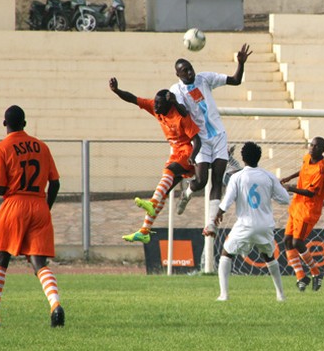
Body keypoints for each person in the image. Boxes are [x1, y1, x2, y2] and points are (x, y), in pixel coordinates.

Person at [0, 105, 64, 327]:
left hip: (14, 205)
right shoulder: (42, 146)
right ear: (25, 123)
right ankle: (55, 305)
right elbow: (55, 183)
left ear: (5, 124)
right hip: (39, 204)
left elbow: (0, 188)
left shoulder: (1, 148)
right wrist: (45, 207)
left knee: (1, 260)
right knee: (39, 262)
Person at [170, 44, 253, 237]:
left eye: (190, 68)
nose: (190, 73)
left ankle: (210, 224)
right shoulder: (177, 90)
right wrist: (174, 102)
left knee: (218, 179)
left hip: (219, 136)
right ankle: (188, 193)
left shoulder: (204, 78)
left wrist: (240, 64)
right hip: (199, 140)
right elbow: (183, 113)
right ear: (178, 74)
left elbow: (235, 80)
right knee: (200, 181)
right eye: (185, 71)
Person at [109, 77, 201, 243]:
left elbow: (197, 140)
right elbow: (133, 98)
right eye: (155, 103)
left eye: (159, 104)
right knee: (163, 192)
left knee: (169, 171)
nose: (155, 106)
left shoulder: (181, 116)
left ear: (168, 104)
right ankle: (145, 231)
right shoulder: (156, 108)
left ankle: (152, 201)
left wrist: (194, 157)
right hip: (175, 153)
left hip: (187, 152)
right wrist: (117, 91)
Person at [213, 142, 290, 302]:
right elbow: (284, 199)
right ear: (259, 158)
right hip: (265, 226)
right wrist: (274, 192)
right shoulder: (269, 176)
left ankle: (224, 295)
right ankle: (280, 295)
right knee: (269, 257)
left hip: (245, 225)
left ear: (243, 158)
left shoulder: (237, 177)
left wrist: (219, 212)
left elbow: (228, 199)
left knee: (226, 254)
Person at [281, 137, 324, 292]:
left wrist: (291, 187)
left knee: (297, 242)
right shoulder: (307, 158)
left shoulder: (321, 169)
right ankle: (301, 276)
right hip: (296, 206)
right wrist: (290, 177)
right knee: (287, 241)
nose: (312, 148)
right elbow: (303, 170)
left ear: (322, 149)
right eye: (311, 145)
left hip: (308, 211)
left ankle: (316, 272)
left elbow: (310, 193)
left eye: (316, 146)